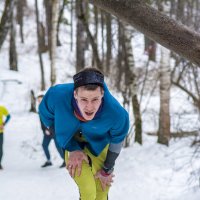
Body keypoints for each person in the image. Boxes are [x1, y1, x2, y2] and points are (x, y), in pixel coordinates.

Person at [39, 68, 129, 200]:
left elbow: (117, 140)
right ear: (75, 94)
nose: (89, 106)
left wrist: (107, 170)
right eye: (84, 99)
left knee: (101, 192)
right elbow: (46, 117)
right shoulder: (57, 96)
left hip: (100, 144)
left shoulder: (116, 113)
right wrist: (72, 148)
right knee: (88, 191)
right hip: (71, 141)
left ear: (102, 94)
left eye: (95, 99)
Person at [37, 93, 65, 168]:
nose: (39, 102)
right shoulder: (40, 109)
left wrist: (49, 129)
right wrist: (45, 130)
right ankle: (48, 161)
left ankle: (65, 161)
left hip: (54, 131)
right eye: (38, 101)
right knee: (44, 145)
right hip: (46, 133)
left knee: (58, 147)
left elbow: (54, 120)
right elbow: (42, 122)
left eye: (41, 100)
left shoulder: (49, 108)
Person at [0, 105, 11, 170]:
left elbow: (8, 116)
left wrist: (4, 124)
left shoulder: (1, 108)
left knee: (0, 149)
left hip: (0, 133)